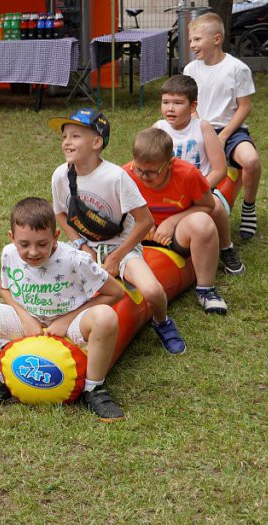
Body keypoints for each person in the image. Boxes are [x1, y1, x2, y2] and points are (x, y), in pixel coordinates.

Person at [0, 197, 127, 421]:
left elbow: (116, 292)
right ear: (12, 237)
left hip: (71, 322)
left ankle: (93, 390)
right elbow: (5, 288)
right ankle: (1, 380)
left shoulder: (76, 259)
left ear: (55, 237)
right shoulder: (8, 253)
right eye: (24, 244)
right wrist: (24, 318)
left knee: (106, 317)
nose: (33, 252)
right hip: (28, 320)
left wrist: (65, 320)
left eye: (42, 244)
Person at [49, 108, 185, 355]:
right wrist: (81, 244)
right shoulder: (61, 175)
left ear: (97, 142)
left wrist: (115, 257)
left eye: (75, 136)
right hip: (85, 245)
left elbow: (145, 221)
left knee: (153, 291)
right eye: (64, 137)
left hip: (122, 246)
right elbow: (60, 213)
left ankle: (162, 322)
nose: (67, 142)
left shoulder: (115, 177)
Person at [124, 128, 229, 316]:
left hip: (178, 232)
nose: (142, 176)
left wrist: (172, 221)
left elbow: (207, 206)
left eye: (151, 172)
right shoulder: (125, 174)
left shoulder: (188, 174)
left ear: (170, 163)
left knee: (202, 223)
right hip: (140, 235)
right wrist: (141, 224)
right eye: (138, 169)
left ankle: (206, 289)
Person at [152, 74, 244, 275]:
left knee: (216, 206)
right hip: (166, 192)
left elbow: (219, 170)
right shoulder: (158, 129)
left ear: (192, 107)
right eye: (166, 102)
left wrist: (199, 188)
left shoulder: (202, 128)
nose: (170, 108)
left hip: (200, 190)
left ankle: (226, 248)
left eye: (178, 103)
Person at [184, 12, 262, 242]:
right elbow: (190, 105)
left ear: (216, 39)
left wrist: (224, 135)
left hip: (231, 130)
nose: (192, 45)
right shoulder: (190, 70)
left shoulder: (237, 68)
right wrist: (202, 129)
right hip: (199, 127)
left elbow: (244, 107)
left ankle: (249, 206)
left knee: (252, 161)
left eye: (197, 39)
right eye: (190, 40)